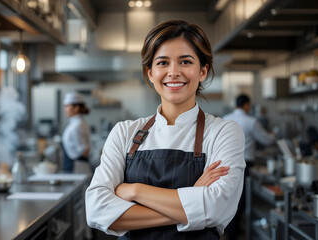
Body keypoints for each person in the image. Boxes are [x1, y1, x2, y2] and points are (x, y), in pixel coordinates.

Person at [85, 20, 245, 239]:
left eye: (185, 62)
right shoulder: (125, 132)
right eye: (162, 63)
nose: (173, 72)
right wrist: (193, 200)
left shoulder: (223, 132)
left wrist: (135, 191)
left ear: (202, 71)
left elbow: (217, 209)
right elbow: (96, 210)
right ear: (150, 73)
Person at [223, 94, 276, 240]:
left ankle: (229, 230)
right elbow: (267, 140)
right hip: (244, 164)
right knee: (240, 201)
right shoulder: (251, 121)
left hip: (225, 164)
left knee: (228, 198)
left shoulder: (225, 118)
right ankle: (233, 234)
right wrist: (274, 134)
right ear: (247, 105)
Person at [62, 92, 92, 174]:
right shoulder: (76, 124)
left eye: (67, 106)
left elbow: (85, 151)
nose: (65, 109)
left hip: (77, 167)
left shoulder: (77, 125)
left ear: (76, 108)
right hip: (75, 166)